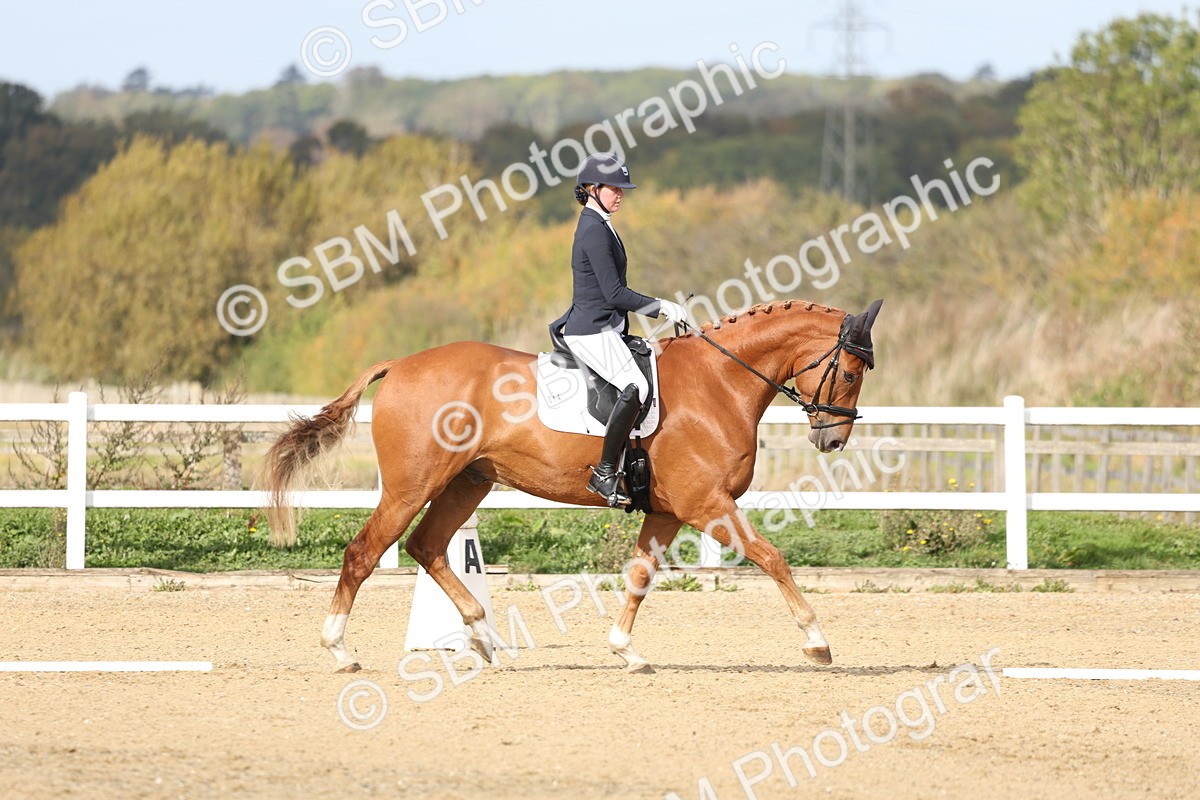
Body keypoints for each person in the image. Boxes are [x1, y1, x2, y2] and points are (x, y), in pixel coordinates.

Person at [549, 153, 687, 506]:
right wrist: (661, 307)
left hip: (606, 327)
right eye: (614, 188)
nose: (620, 193)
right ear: (592, 189)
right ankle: (605, 472)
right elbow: (613, 293)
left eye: (622, 188)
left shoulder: (602, 222)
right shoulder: (594, 229)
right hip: (591, 330)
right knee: (636, 385)